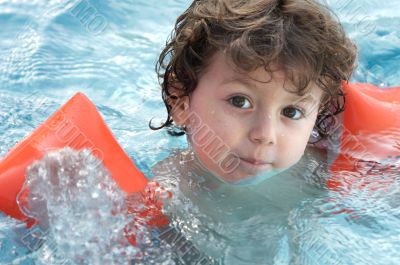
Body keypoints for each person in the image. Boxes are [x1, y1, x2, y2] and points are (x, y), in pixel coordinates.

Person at [150, 0, 357, 187]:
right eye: (240, 101)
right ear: (180, 102)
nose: (265, 135)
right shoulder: (173, 189)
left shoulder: (321, 172)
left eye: (291, 112)